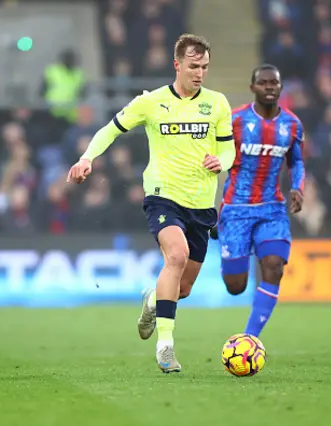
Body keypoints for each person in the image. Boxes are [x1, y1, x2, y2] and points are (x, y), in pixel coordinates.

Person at [67, 34, 235, 373]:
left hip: (202, 205)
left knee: (182, 288)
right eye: (193, 66)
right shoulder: (151, 102)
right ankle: (166, 347)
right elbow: (110, 130)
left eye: (204, 67)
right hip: (163, 196)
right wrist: (87, 158)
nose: (199, 73)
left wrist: (223, 162)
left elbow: (228, 148)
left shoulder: (217, 103)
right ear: (177, 65)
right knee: (176, 254)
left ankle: (151, 299)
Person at [214, 64, 305, 338]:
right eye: (263, 83)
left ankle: (250, 338)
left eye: (274, 83)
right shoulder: (235, 121)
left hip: (272, 209)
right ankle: (233, 252)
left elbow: (297, 161)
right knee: (235, 285)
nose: (269, 87)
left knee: (274, 267)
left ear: (280, 87)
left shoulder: (292, 124)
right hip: (236, 210)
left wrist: (298, 187)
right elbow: (214, 156)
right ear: (252, 87)